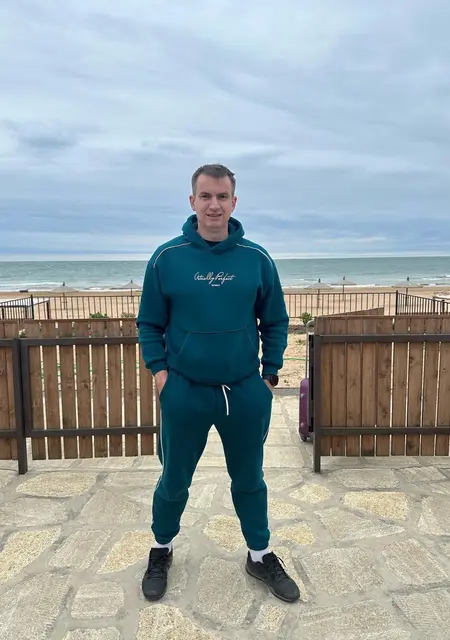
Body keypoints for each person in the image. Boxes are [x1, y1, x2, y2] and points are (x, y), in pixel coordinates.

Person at [136, 163, 300, 603]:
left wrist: (269, 375)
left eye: (222, 196)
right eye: (205, 196)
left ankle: (259, 554)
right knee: (174, 479)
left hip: (244, 392)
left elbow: (275, 321)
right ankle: (161, 549)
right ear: (192, 201)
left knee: (249, 479)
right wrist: (161, 374)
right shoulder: (167, 258)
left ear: (234, 201)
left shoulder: (256, 258)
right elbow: (149, 323)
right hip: (184, 391)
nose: (214, 205)